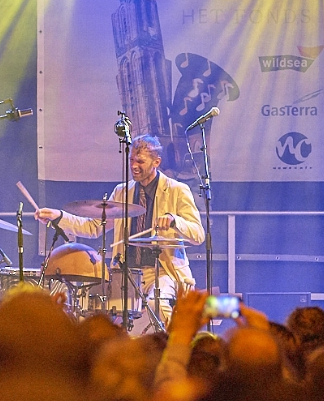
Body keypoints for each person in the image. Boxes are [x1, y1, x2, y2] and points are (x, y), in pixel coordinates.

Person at [34, 133, 203, 326]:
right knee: (99, 314)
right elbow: (93, 227)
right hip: (126, 272)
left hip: (162, 271)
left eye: (140, 161)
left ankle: (173, 348)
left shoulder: (177, 190)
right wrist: (59, 216)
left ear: (156, 162)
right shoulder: (122, 191)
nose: (133, 166)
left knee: (157, 304)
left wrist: (175, 221)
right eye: (131, 160)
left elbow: (198, 234)